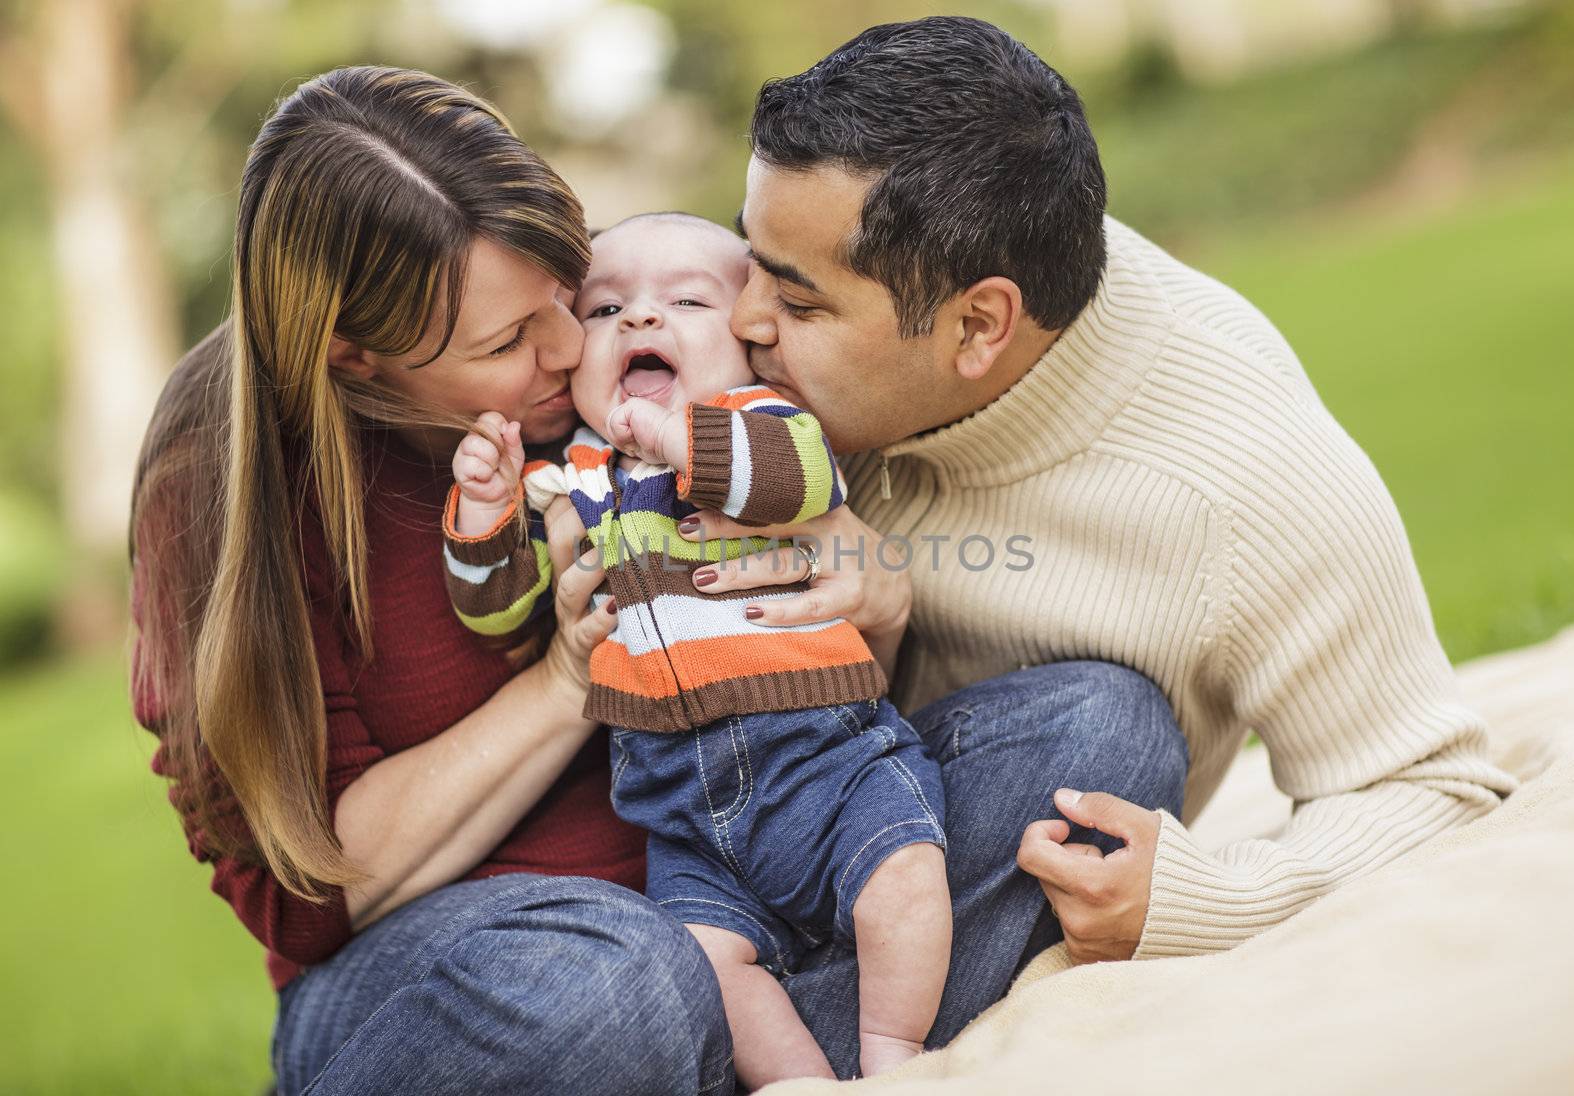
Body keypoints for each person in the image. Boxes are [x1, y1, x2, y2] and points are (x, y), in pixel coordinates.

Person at [130, 64, 1188, 1093]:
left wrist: (873, 604)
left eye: (567, 291)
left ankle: (797, 1058)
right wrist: (560, 678)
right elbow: (312, 895)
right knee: (617, 984)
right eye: (508, 338)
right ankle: (730, 1038)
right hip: (498, 965)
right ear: (357, 358)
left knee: (1097, 734)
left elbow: (819, 700)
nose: (567, 346)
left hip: (766, 870)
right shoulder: (226, 482)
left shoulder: (649, 392)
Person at [707, 14, 1518, 973]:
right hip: (683, 796)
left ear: (978, 326)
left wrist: (1210, 897)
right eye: (745, 256)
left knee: (1101, 732)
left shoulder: (1239, 476)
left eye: (800, 304)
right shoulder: (716, 335)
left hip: (939, 829)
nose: (743, 315)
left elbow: (1429, 780)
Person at [443, 212, 951, 1086]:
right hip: (678, 808)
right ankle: (800, 1082)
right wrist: (487, 518)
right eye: (604, 311)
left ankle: (894, 1057)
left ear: (750, 339)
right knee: (703, 965)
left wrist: (678, 440)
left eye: (685, 299)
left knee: (904, 873)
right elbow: (497, 612)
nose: (640, 320)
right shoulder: (573, 475)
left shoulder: (763, 419)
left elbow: (796, 480)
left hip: (827, 763)